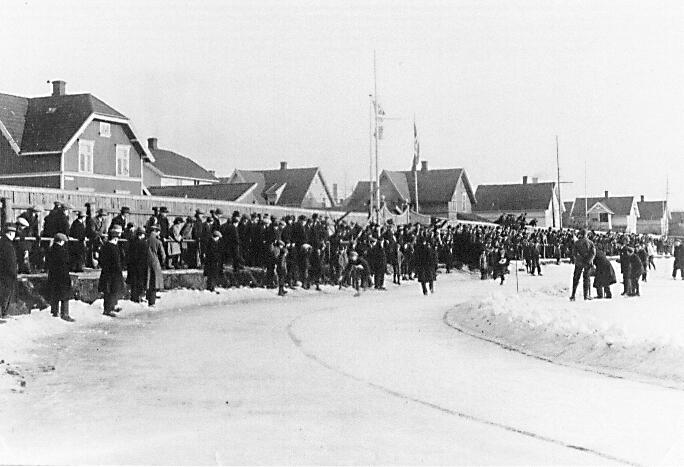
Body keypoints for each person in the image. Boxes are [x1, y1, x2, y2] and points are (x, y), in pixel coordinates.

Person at [46, 233, 74, 321]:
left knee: (55, 293)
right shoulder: (62, 251)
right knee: (65, 295)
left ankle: (55, 312)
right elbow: (66, 264)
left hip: (53, 275)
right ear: (62, 241)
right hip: (63, 276)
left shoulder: (51, 249)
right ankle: (65, 313)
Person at [98, 225, 125, 317]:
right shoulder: (111, 247)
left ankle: (112, 306)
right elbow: (116, 261)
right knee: (110, 290)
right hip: (111, 273)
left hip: (110, 272)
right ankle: (108, 309)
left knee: (113, 290)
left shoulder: (109, 246)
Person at [570, 228, 596, 301]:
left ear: (581, 234)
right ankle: (586, 295)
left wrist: (579, 259)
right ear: (587, 234)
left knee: (576, 279)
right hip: (587, 263)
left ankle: (573, 295)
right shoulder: (591, 243)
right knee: (586, 279)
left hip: (579, 263)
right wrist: (588, 261)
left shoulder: (577, 243)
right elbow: (593, 253)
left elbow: (574, 253)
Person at [0, 225, 18, 318]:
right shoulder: (7, 244)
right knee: (5, 293)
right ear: (11, 233)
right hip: (7, 273)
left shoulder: (3, 242)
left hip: (4, 272)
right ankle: (3, 313)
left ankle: (3, 312)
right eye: (14, 233)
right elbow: (9, 260)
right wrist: (13, 272)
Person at [126, 227, 148, 303]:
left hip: (132, 265)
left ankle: (134, 297)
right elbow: (145, 255)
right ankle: (139, 297)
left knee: (134, 282)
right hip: (141, 265)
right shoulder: (144, 243)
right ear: (141, 235)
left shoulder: (132, 242)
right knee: (140, 282)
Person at [146, 225, 166, 306]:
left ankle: (148, 297)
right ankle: (152, 301)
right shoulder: (158, 242)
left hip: (147, 262)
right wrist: (162, 263)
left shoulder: (146, 240)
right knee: (154, 282)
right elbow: (163, 255)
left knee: (148, 280)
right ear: (156, 231)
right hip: (155, 262)